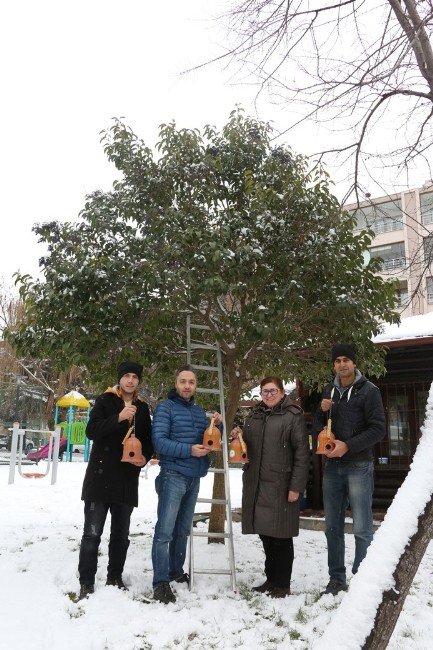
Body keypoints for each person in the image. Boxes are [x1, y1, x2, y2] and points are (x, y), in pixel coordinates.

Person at [77, 361, 153, 600]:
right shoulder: (105, 401)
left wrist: (144, 458)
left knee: (121, 535)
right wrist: (119, 417)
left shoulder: (142, 407)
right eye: (126, 376)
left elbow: (148, 441)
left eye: (135, 377)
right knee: (92, 534)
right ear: (120, 378)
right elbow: (92, 431)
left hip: (126, 480)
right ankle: (86, 581)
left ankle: (114, 577)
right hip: (100, 478)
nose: (130, 380)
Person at [314, 344, 386, 596]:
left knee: (362, 527)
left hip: (359, 465)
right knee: (332, 526)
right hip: (332, 466)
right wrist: (321, 414)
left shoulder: (369, 391)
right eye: (337, 361)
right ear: (333, 365)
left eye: (346, 360)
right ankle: (336, 579)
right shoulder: (329, 391)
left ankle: (364, 580)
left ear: (354, 363)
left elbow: (378, 429)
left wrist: (349, 445)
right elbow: (319, 427)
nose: (342, 364)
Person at [232, 376, 309, 598]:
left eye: (273, 391)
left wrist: (296, 486)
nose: (268, 395)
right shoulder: (254, 415)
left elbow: (302, 454)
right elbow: (249, 443)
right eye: (265, 391)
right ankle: (271, 579)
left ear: (282, 392)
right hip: (257, 482)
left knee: (282, 536)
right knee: (266, 534)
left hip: (281, 484)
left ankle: (283, 584)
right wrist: (239, 435)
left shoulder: (293, 416)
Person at [151, 364, 222, 604]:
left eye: (191, 382)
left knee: (182, 530)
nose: (187, 386)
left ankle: (176, 572)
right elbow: (159, 443)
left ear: (195, 385)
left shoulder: (199, 412)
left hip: (194, 477)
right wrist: (188, 450)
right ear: (176, 383)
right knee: (164, 532)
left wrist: (217, 426)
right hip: (172, 475)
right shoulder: (165, 408)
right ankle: (160, 582)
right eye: (183, 381)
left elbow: (208, 438)